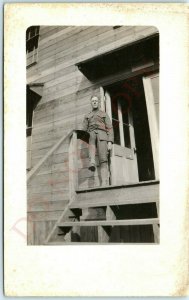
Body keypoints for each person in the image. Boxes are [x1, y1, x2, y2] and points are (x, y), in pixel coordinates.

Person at [82, 95, 114, 186]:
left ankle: (104, 182)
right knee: (91, 136)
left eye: (96, 100)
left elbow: (110, 128)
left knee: (103, 159)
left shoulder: (104, 114)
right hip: (91, 135)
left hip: (102, 136)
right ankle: (92, 161)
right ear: (91, 103)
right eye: (93, 101)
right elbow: (84, 129)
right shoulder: (87, 116)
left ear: (98, 102)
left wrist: (110, 142)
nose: (95, 102)